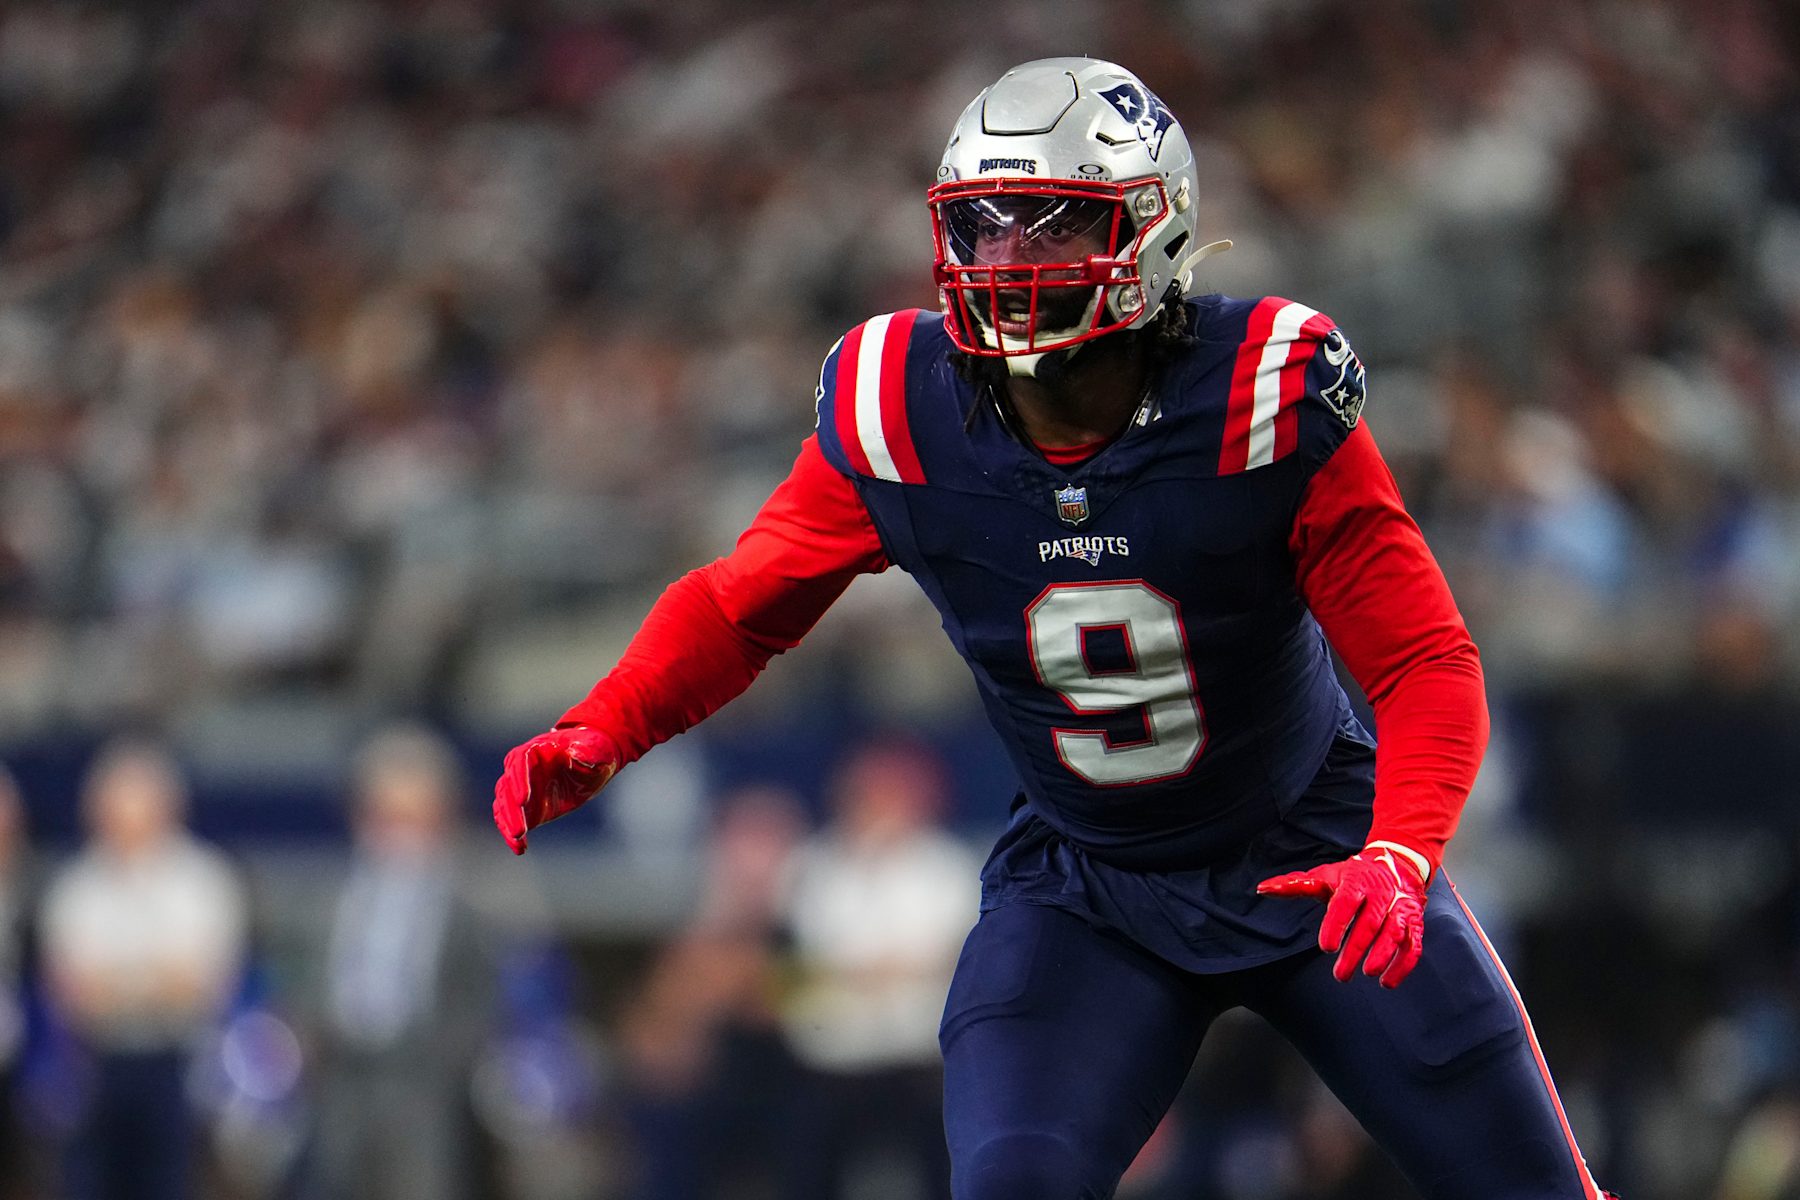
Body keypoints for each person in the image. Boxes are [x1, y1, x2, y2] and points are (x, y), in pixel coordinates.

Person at [493, 57, 1620, 1200]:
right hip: (1090, 889)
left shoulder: (1260, 393)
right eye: (981, 230)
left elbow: (1426, 656)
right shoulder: (900, 403)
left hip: (1317, 859)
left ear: (1154, 231)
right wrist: (606, 725)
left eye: (1049, 228)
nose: (1005, 262)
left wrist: (1402, 846)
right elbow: (743, 605)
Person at [40, 739, 247, 1200]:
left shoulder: (203, 880)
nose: (126, 821)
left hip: (179, 1063)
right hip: (94, 1064)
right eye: (113, 808)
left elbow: (200, 985)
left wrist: (118, 984)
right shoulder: (75, 885)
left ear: (167, 808)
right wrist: (152, 979)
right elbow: (72, 989)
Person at [309, 724, 498, 1200]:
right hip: (343, 1076)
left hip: (422, 1080)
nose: (397, 836)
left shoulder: (469, 900)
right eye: (384, 818)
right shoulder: (336, 897)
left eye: (411, 819)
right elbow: (311, 977)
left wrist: (448, 1065)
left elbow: (479, 995)